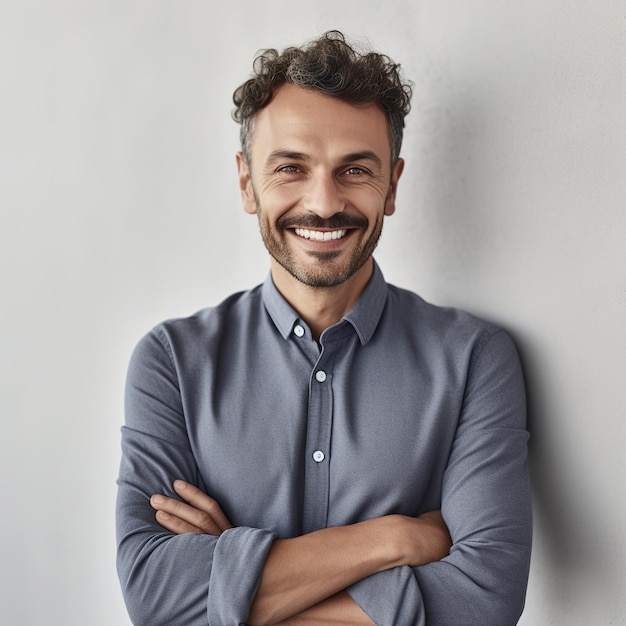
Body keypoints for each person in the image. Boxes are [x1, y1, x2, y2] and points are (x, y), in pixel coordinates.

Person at [116, 30, 532, 625]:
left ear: (392, 184)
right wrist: (396, 539)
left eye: (355, 170)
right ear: (245, 182)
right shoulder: (171, 362)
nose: (324, 202)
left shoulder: (474, 361)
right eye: (291, 167)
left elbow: (485, 601)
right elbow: (154, 598)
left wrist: (236, 589)